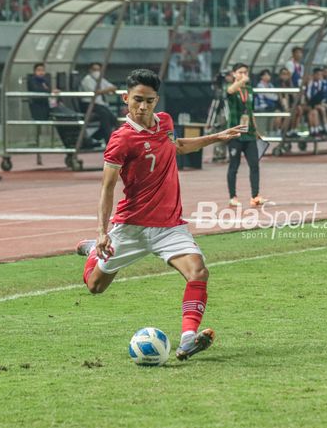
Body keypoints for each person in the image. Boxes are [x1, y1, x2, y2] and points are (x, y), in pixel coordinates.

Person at [74, 68, 246, 362]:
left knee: (198, 272)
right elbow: (107, 188)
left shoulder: (164, 121)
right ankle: (94, 249)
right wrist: (103, 233)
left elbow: (175, 146)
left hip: (169, 226)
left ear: (157, 100)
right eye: (137, 100)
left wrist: (216, 137)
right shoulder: (121, 140)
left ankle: (188, 339)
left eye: (149, 101)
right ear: (126, 98)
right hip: (131, 227)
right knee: (95, 286)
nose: (143, 107)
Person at [226, 62, 267, 208]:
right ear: (234, 74)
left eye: (246, 72)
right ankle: (233, 197)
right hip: (235, 134)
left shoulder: (249, 90)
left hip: (248, 134)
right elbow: (230, 91)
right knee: (234, 166)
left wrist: (256, 131)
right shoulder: (231, 89)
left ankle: (255, 196)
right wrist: (240, 82)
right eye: (240, 72)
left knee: (254, 165)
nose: (244, 75)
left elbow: (251, 112)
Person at [79, 62, 119, 145]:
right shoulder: (87, 79)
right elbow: (95, 92)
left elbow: (113, 87)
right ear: (90, 70)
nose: (97, 72)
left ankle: (95, 137)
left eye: (98, 70)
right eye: (94, 70)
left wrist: (106, 90)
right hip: (89, 104)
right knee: (105, 115)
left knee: (113, 120)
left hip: (100, 105)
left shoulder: (101, 79)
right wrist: (106, 90)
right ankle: (108, 142)